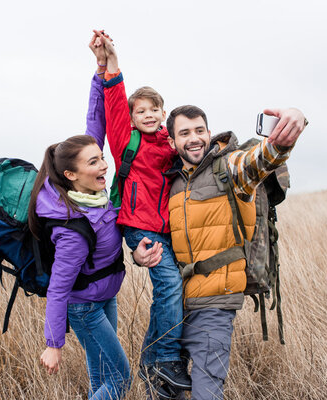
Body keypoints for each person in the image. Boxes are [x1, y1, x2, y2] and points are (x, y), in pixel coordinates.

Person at [28, 33, 163, 400]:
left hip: (106, 295)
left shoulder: (93, 189)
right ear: (71, 174)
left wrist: (101, 70)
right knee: (120, 381)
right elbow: (58, 289)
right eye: (95, 161)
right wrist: (54, 343)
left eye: (101, 157)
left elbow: (96, 120)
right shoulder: (73, 228)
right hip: (85, 307)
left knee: (101, 380)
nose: (104, 163)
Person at [164, 105, 307, 400]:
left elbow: (262, 159)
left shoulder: (229, 168)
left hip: (215, 305)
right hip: (173, 307)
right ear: (172, 141)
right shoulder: (172, 182)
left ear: (208, 132)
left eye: (200, 131)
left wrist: (284, 137)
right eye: (185, 133)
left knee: (207, 391)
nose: (194, 139)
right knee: (163, 388)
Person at [95, 31, 192, 395]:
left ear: (163, 114)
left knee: (172, 290)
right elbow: (115, 105)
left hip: (168, 230)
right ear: (133, 118)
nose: (148, 115)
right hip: (139, 227)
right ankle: (165, 357)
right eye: (141, 111)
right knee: (169, 285)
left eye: (154, 110)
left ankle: (153, 363)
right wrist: (112, 65)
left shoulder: (169, 147)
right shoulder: (126, 142)